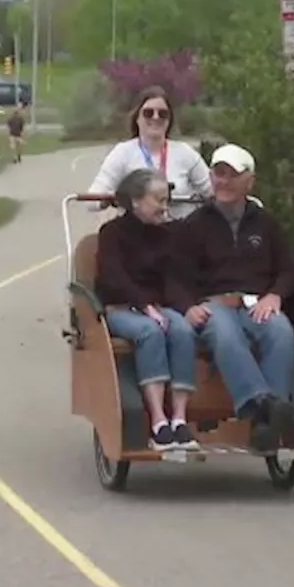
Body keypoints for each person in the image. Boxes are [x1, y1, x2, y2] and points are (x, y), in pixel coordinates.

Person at [171, 143, 294, 453]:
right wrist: (188, 307)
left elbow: (289, 271)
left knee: (281, 331)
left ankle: (264, 428)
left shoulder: (266, 224)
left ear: (249, 182)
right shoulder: (194, 225)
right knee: (226, 335)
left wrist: (275, 297)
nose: (223, 181)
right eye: (218, 174)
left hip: (256, 303)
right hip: (214, 305)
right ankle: (264, 407)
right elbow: (174, 278)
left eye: (232, 175)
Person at [95, 168, 201, 451]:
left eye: (166, 200)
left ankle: (179, 418)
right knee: (149, 331)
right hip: (122, 307)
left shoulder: (169, 234)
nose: (164, 207)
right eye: (158, 200)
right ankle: (157, 420)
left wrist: (177, 307)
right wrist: (144, 306)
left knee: (182, 330)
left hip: (158, 307)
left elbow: (175, 277)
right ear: (136, 201)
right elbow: (113, 277)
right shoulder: (112, 234)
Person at [87, 85, 212, 221]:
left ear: (169, 121)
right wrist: (111, 198)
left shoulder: (185, 153)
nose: (155, 117)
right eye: (148, 113)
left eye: (163, 114)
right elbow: (91, 201)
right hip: (137, 235)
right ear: (137, 118)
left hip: (179, 232)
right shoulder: (122, 153)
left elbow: (212, 190)